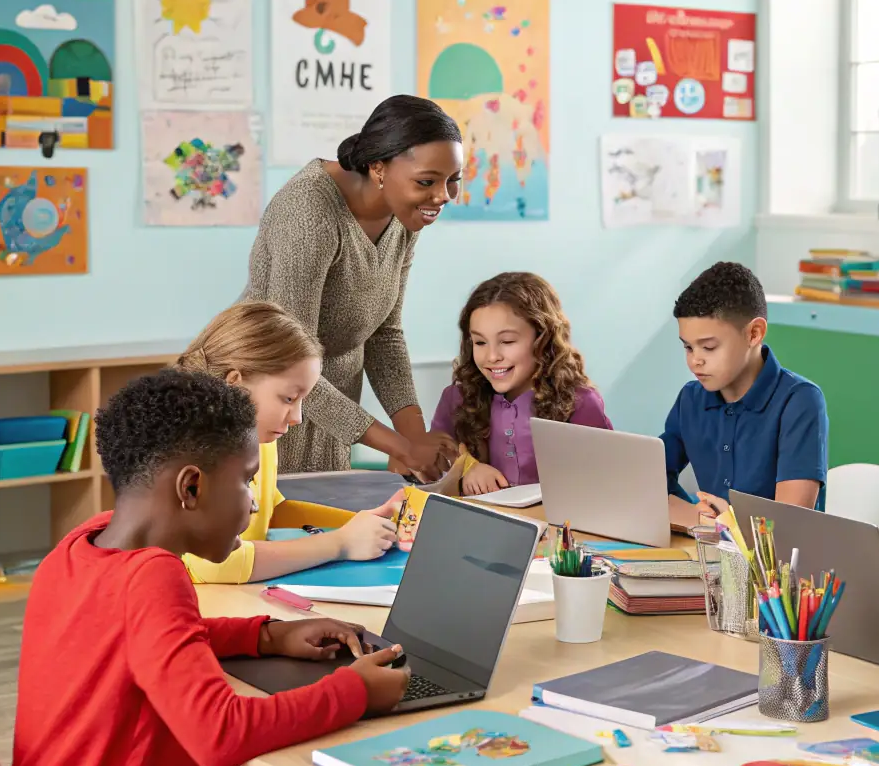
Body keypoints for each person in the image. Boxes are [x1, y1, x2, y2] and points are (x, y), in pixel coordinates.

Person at [4, 369, 412, 766]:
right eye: (246, 482)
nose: (255, 507)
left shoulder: (81, 546)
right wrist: (353, 692)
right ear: (191, 488)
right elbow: (219, 736)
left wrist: (265, 635)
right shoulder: (152, 575)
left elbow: (148, 638)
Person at [243, 94, 463, 479]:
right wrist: (402, 447)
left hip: (334, 404)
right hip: (267, 401)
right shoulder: (308, 212)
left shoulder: (403, 214)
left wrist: (416, 441)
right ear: (379, 168)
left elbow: (384, 334)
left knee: (322, 530)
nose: (442, 196)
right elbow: (287, 359)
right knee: (265, 531)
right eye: (427, 181)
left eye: (453, 181)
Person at [176, 301, 403, 583]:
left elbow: (273, 511)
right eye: (288, 398)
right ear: (235, 383)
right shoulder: (198, 453)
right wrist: (340, 543)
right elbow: (217, 564)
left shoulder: (260, 442)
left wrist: (361, 524)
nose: (297, 417)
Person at [662, 261, 829, 514]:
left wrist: (728, 520)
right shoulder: (691, 398)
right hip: (713, 550)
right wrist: (694, 513)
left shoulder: (800, 401)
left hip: (779, 553)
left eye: (709, 347)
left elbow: (792, 521)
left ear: (754, 334)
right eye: (688, 347)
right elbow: (651, 477)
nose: (695, 359)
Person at [431, 272, 612, 496]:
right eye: (480, 342)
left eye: (507, 341)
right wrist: (468, 469)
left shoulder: (580, 402)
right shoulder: (456, 397)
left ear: (543, 339)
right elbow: (435, 464)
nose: (492, 356)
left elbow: (606, 480)